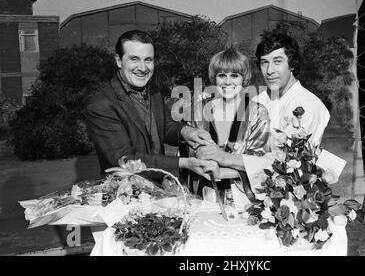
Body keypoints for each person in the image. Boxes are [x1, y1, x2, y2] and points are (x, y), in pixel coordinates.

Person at [83, 30, 222, 182]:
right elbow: (125, 161)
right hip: (125, 193)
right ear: (118, 60)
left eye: (148, 60)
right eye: (134, 59)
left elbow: (164, 126)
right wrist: (185, 163)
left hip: (158, 189)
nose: (142, 68)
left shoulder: (153, 91)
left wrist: (186, 131)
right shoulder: (101, 104)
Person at [191, 48, 271, 206]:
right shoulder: (200, 110)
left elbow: (259, 163)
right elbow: (192, 155)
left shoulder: (257, 113)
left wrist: (221, 165)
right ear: (215, 78)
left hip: (242, 198)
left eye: (234, 75)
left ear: (244, 79)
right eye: (222, 75)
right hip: (204, 194)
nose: (228, 82)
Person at [254, 32, 330, 148]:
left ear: (292, 64)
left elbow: (284, 160)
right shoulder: (259, 100)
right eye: (264, 63)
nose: (269, 70)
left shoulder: (307, 104)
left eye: (277, 61)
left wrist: (225, 158)